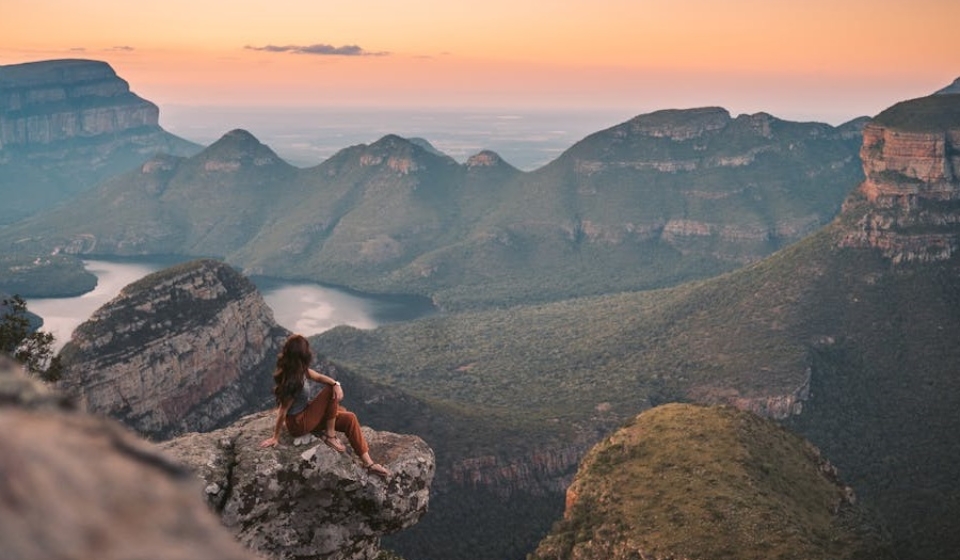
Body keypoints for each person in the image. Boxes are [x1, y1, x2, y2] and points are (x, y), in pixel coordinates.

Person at [259, 334, 391, 478]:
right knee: (329, 391)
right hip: (298, 424)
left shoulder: (302, 370)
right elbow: (282, 412)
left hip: (307, 416)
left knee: (350, 418)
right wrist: (275, 437)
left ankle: (369, 464)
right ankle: (330, 436)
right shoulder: (292, 381)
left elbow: (320, 377)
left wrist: (336, 384)